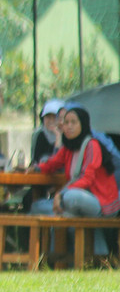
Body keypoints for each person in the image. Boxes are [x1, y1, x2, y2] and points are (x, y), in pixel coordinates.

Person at [29, 105, 119, 257]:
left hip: (100, 201)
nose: (69, 126)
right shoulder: (68, 148)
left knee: (71, 199)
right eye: (66, 122)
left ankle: (61, 252)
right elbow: (53, 163)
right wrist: (37, 168)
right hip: (79, 203)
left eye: (73, 122)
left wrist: (61, 194)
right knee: (36, 206)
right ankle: (87, 257)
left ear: (83, 124)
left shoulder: (92, 145)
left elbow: (87, 178)